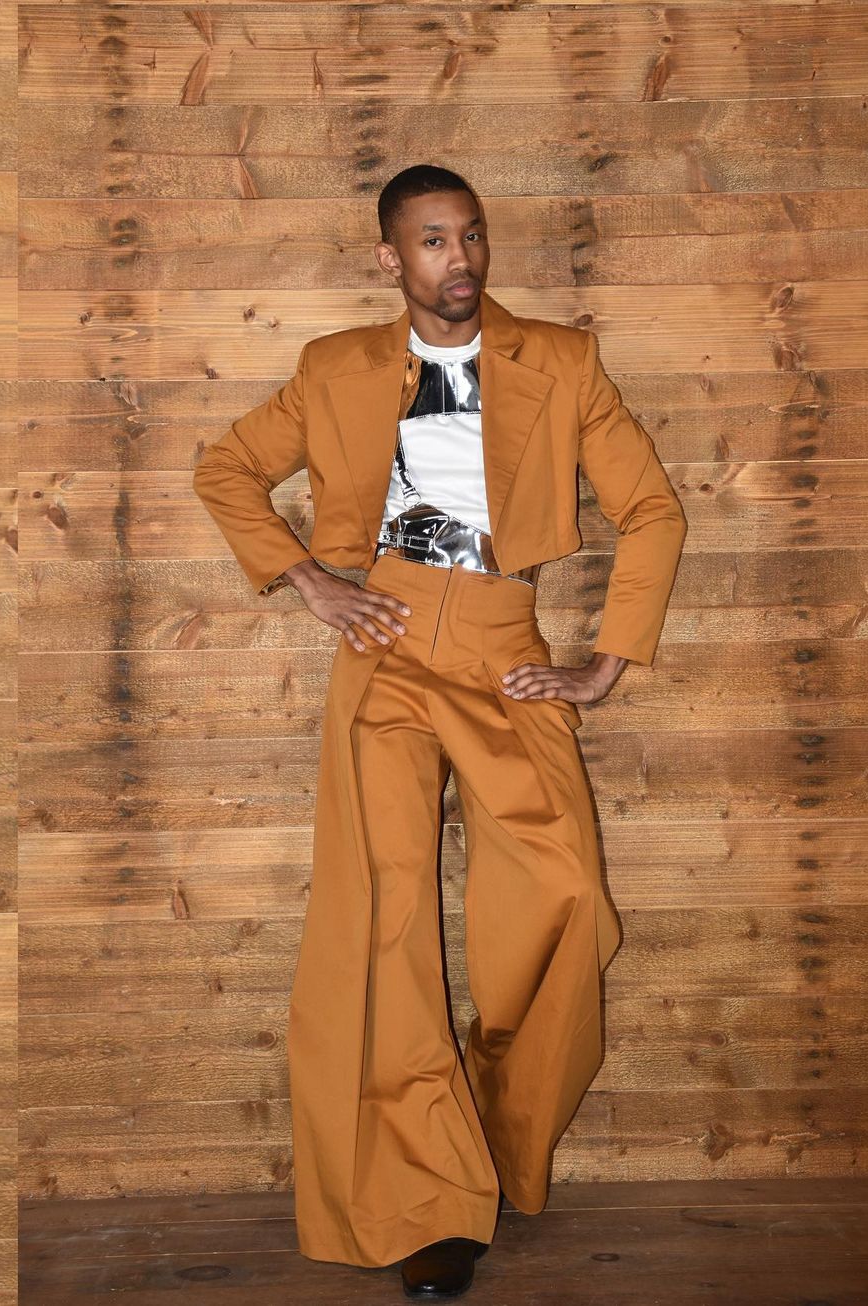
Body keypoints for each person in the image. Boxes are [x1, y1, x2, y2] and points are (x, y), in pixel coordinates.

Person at [192, 164, 687, 1299]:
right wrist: (311, 582)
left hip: (506, 645)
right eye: (431, 241)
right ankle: (428, 1200)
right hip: (387, 639)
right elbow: (226, 469)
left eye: (470, 236)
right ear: (391, 258)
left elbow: (653, 508)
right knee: (383, 919)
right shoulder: (335, 368)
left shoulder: (562, 360)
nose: (457, 259)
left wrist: (603, 665)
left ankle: (493, 1141)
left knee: (567, 897)